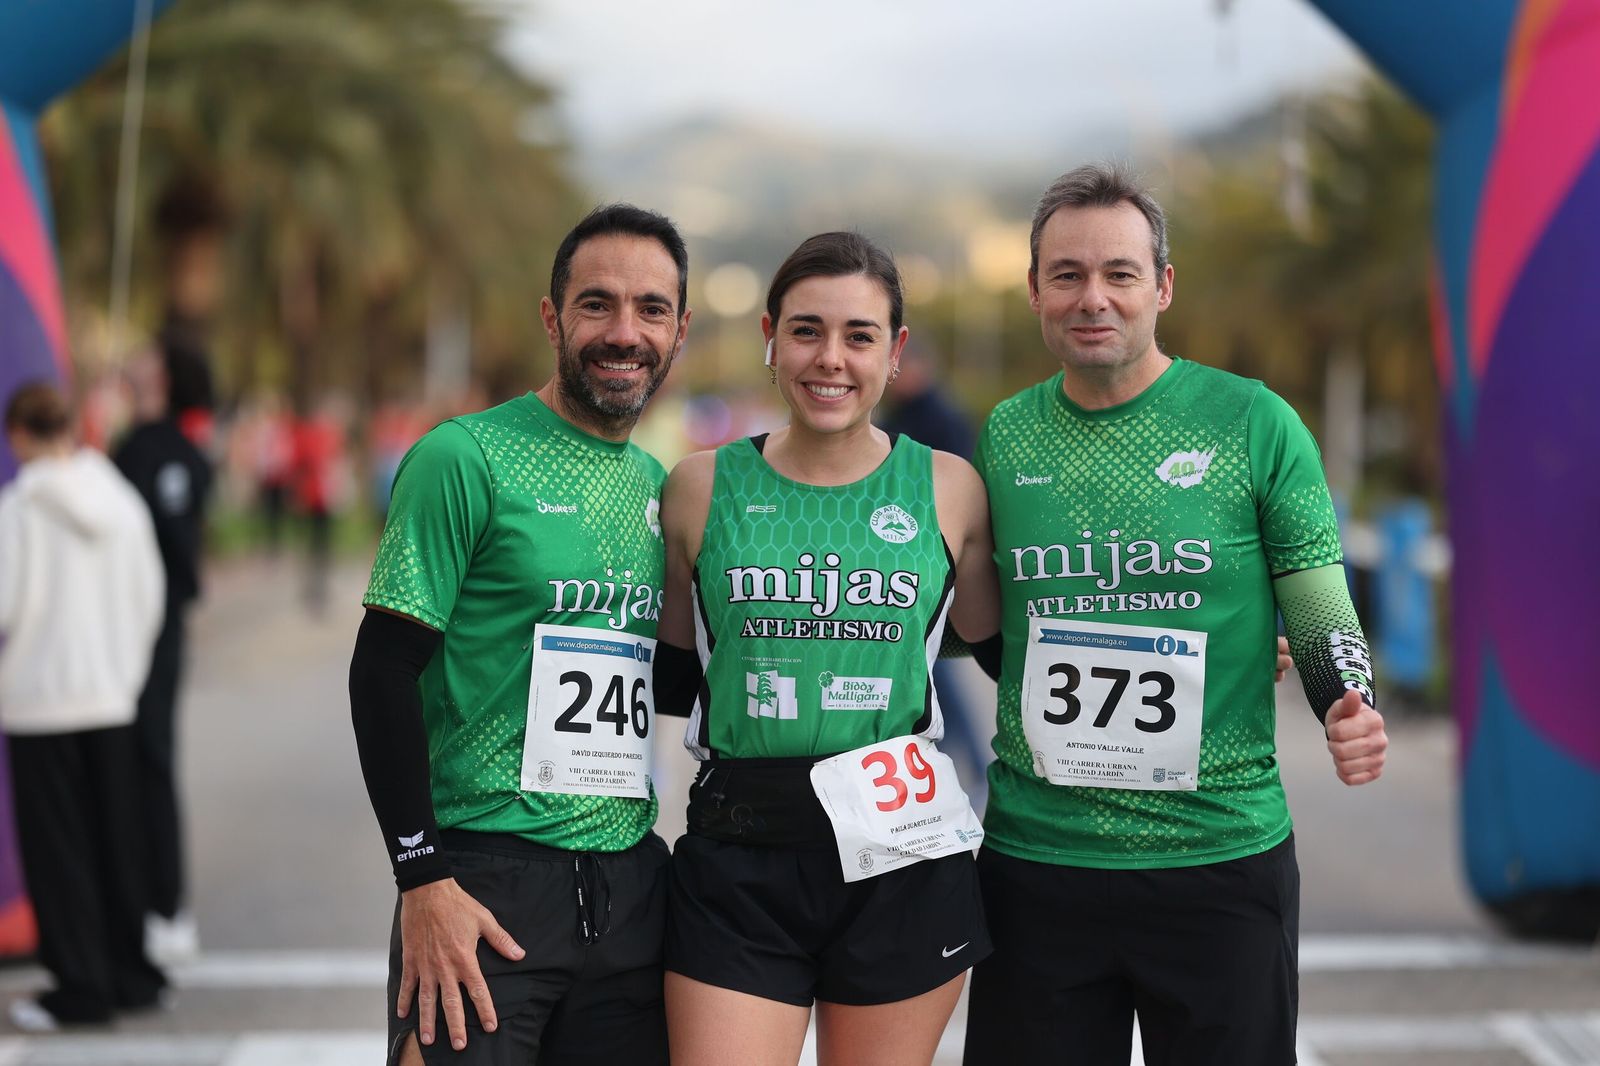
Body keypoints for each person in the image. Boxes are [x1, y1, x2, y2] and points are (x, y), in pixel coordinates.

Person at [961, 163, 1389, 1065]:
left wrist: (1345, 695)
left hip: (1218, 860)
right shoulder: (1004, 435)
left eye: (1119, 273)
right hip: (1039, 865)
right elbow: (1003, 640)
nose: (1093, 298)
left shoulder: (1251, 421)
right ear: (1035, 290)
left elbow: (1315, 589)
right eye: (1067, 274)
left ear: (1161, 286)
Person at [349, 203, 690, 1065]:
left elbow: (674, 685)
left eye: (651, 309)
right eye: (597, 304)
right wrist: (421, 876)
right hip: (481, 884)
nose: (625, 332)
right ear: (552, 318)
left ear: (680, 331)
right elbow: (381, 672)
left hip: (627, 891)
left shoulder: (662, 487)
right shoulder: (465, 458)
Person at [654, 232, 997, 1066]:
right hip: (740, 857)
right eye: (806, 331)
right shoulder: (698, 488)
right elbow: (662, 676)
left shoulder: (951, 487)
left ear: (896, 349)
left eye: (859, 335)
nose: (830, 359)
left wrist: (1238, 645)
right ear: (770, 337)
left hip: (902, 858)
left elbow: (1013, 654)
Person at [0, 381, 168, 1029]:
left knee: (60, 851)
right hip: (111, 697)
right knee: (115, 842)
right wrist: (124, 669)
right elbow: (149, 595)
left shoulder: (17, 510)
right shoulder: (120, 499)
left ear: (18, 434)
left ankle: (80, 988)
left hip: (41, 702)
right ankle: (132, 973)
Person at [112, 347, 213, 960]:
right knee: (121, 759)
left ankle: (166, 907)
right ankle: (130, 902)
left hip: (154, 624)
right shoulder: (138, 441)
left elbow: (179, 541)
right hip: (117, 626)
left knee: (150, 755)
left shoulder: (169, 448)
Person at [877, 348, 990, 810]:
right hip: (895, 562)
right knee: (929, 677)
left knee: (932, 675)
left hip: (926, 565)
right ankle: (951, 759)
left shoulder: (939, 417)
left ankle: (961, 762)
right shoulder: (895, 412)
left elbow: (957, 481)